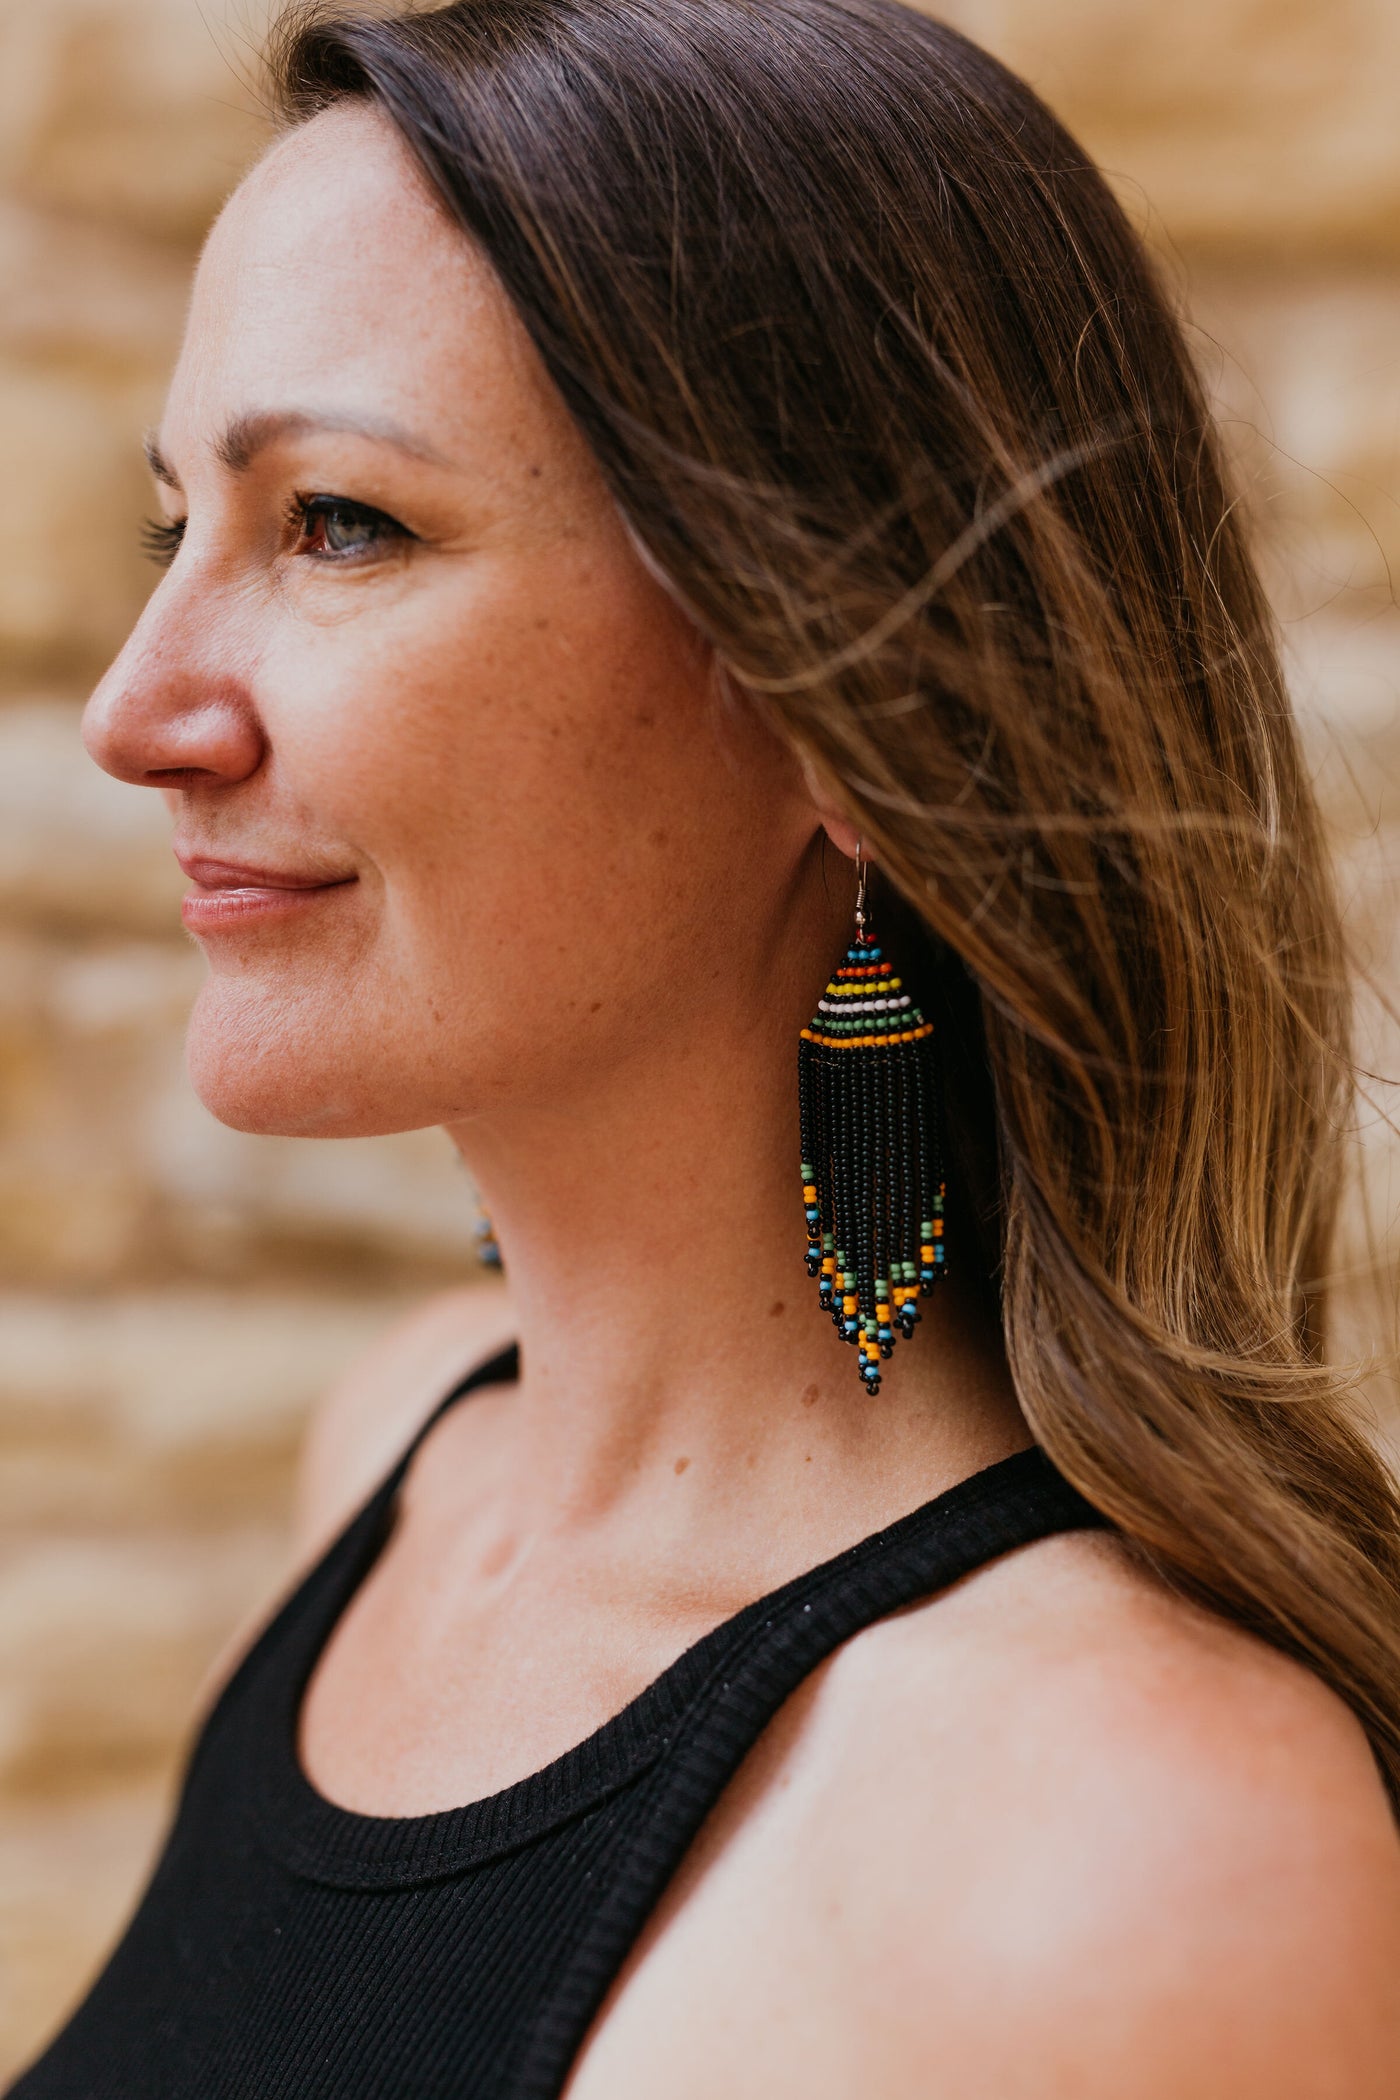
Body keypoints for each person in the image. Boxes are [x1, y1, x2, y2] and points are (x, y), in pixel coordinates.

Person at [12, 1, 1400, 2093]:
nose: (137, 706)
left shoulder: (1128, 1852)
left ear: (853, 707)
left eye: (339, 524)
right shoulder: (392, 1472)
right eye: (168, 529)